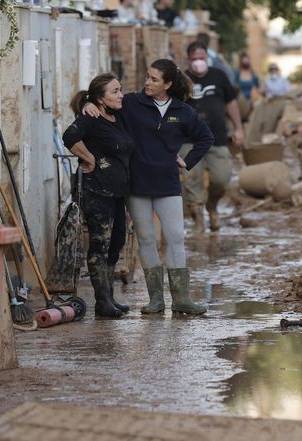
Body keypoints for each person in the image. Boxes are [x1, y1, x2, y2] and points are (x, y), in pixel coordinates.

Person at [84, 59, 214, 315]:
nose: (147, 82)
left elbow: (205, 137)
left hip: (167, 183)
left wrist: (186, 161)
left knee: (176, 237)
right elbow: (103, 103)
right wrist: (87, 103)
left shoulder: (183, 111)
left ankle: (181, 299)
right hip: (137, 184)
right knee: (146, 239)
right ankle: (156, 299)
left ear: (167, 84)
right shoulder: (132, 103)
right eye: (147, 76)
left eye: (154, 79)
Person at [62, 73, 134, 318]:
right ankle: (102, 302)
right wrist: (89, 157)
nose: (120, 94)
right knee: (99, 245)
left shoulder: (120, 116)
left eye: (120, 89)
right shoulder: (89, 118)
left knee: (116, 243)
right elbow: (69, 137)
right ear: (101, 99)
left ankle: (110, 298)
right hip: (95, 191)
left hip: (117, 192)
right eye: (115, 91)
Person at [182, 40, 245, 232]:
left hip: (217, 137)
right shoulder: (182, 80)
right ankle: (198, 217)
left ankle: (212, 204)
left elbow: (232, 103)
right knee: (192, 177)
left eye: (202, 58)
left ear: (207, 58)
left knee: (222, 177)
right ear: (189, 60)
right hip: (188, 138)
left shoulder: (219, 76)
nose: (198, 62)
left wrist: (238, 128)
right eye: (194, 59)